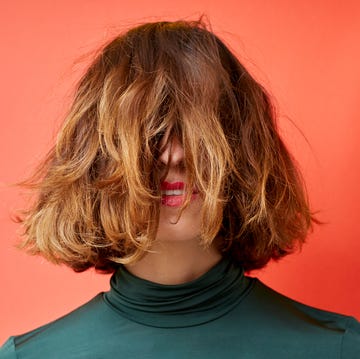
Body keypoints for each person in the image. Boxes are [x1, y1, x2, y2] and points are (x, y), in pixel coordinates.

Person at [1, 19, 359, 358]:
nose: (174, 154)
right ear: (94, 158)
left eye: (197, 130)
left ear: (246, 151)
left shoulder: (341, 349)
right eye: (151, 131)